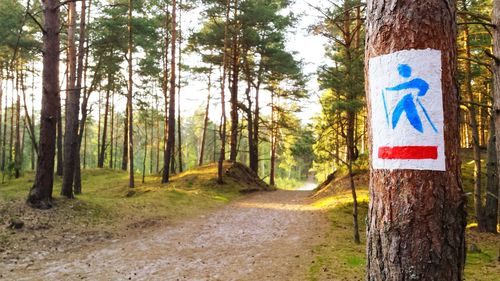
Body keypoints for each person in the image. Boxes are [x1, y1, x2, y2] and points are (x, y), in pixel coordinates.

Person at [384, 64, 436, 133]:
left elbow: (425, 87)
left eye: (402, 71)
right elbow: (400, 86)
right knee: (396, 113)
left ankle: (420, 130)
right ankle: (393, 128)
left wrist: (418, 94)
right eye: (400, 71)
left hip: (411, 100)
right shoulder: (408, 81)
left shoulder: (415, 81)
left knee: (411, 114)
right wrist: (388, 89)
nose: (400, 73)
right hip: (407, 100)